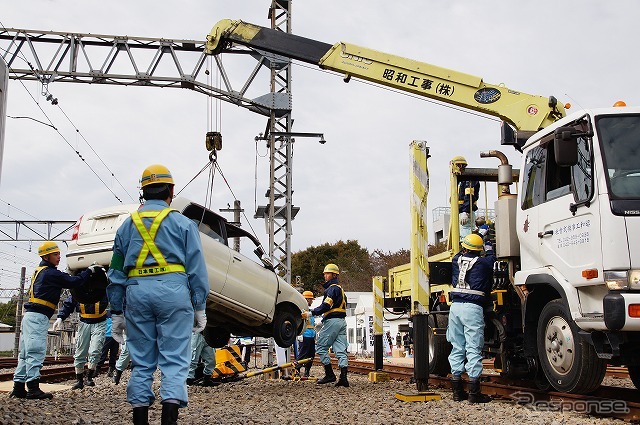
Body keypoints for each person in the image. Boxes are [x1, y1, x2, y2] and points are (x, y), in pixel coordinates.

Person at [106, 164, 209, 425]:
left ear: (143, 193)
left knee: (142, 362)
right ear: (171, 191)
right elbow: (197, 269)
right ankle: (169, 420)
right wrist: (199, 306)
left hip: (137, 294)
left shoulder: (126, 227)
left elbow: (116, 273)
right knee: (174, 361)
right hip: (174, 295)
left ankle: (140, 419)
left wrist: (116, 311)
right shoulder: (184, 224)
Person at [10, 241, 99, 399]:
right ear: (46, 256)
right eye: (55, 254)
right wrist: (89, 271)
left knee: (24, 353)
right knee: (35, 351)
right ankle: (32, 388)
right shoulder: (50, 273)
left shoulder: (41, 271)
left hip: (30, 316)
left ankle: (18, 387)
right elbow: (74, 282)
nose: (59, 257)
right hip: (38, 317)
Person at [447, 233, 495, 404]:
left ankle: (457, 392)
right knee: (473, 348)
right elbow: (492, 259)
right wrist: (488, 245)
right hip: (472, 308)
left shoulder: (456, 260)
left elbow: (460, 253)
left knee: (457, 346)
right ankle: (474, 393)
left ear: (465, 247)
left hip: (456, 307)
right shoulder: (483, 263)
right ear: (479, 250)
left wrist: (478, 237)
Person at [306, 263, 349, 387]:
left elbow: (326, 305)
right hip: (342, 322)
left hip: (332, 321)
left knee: (320, 347)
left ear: (334, 275)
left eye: (327, 273)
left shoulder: (331, 289)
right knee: (341, 350)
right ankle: (343, 378)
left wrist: (311, 313)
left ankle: (330, 374)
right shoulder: (341, 289)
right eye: (325, 273)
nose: (325, 276)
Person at [54, 293, 109, 389]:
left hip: (100, 321)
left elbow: (115, 297)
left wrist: (119, 315)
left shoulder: (103, 287)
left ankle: (89, 376)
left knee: (95, 350)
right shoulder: (79, 288)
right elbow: (69, 303)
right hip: (84, 322)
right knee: (80, 352)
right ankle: (79, 379)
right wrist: (61, 317)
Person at [452, 156, 480, 238]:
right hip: (462, 210)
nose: (460, 168)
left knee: (466, 233)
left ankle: (467, 249)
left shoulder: (468, 179)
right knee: (462, 234)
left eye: (462, 166)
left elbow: (469, 196)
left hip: (466, 211)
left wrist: (466, 212)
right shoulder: (459, 180)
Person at [296, 291, 316, 377]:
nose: (312, 301)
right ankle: (297, 370)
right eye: (311, 299)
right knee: (303, 354)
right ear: (307, 300)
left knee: (311, 354)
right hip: (304, 335)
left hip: (311, 336)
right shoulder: (302, 311)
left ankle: (307, 371)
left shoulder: (310, 312)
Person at [96, 311, 120, 377]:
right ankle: (96, 370)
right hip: (107, 336)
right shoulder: (106, 313)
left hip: (115, 336)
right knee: (103, 354)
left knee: (113, 355)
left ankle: (110, 371)